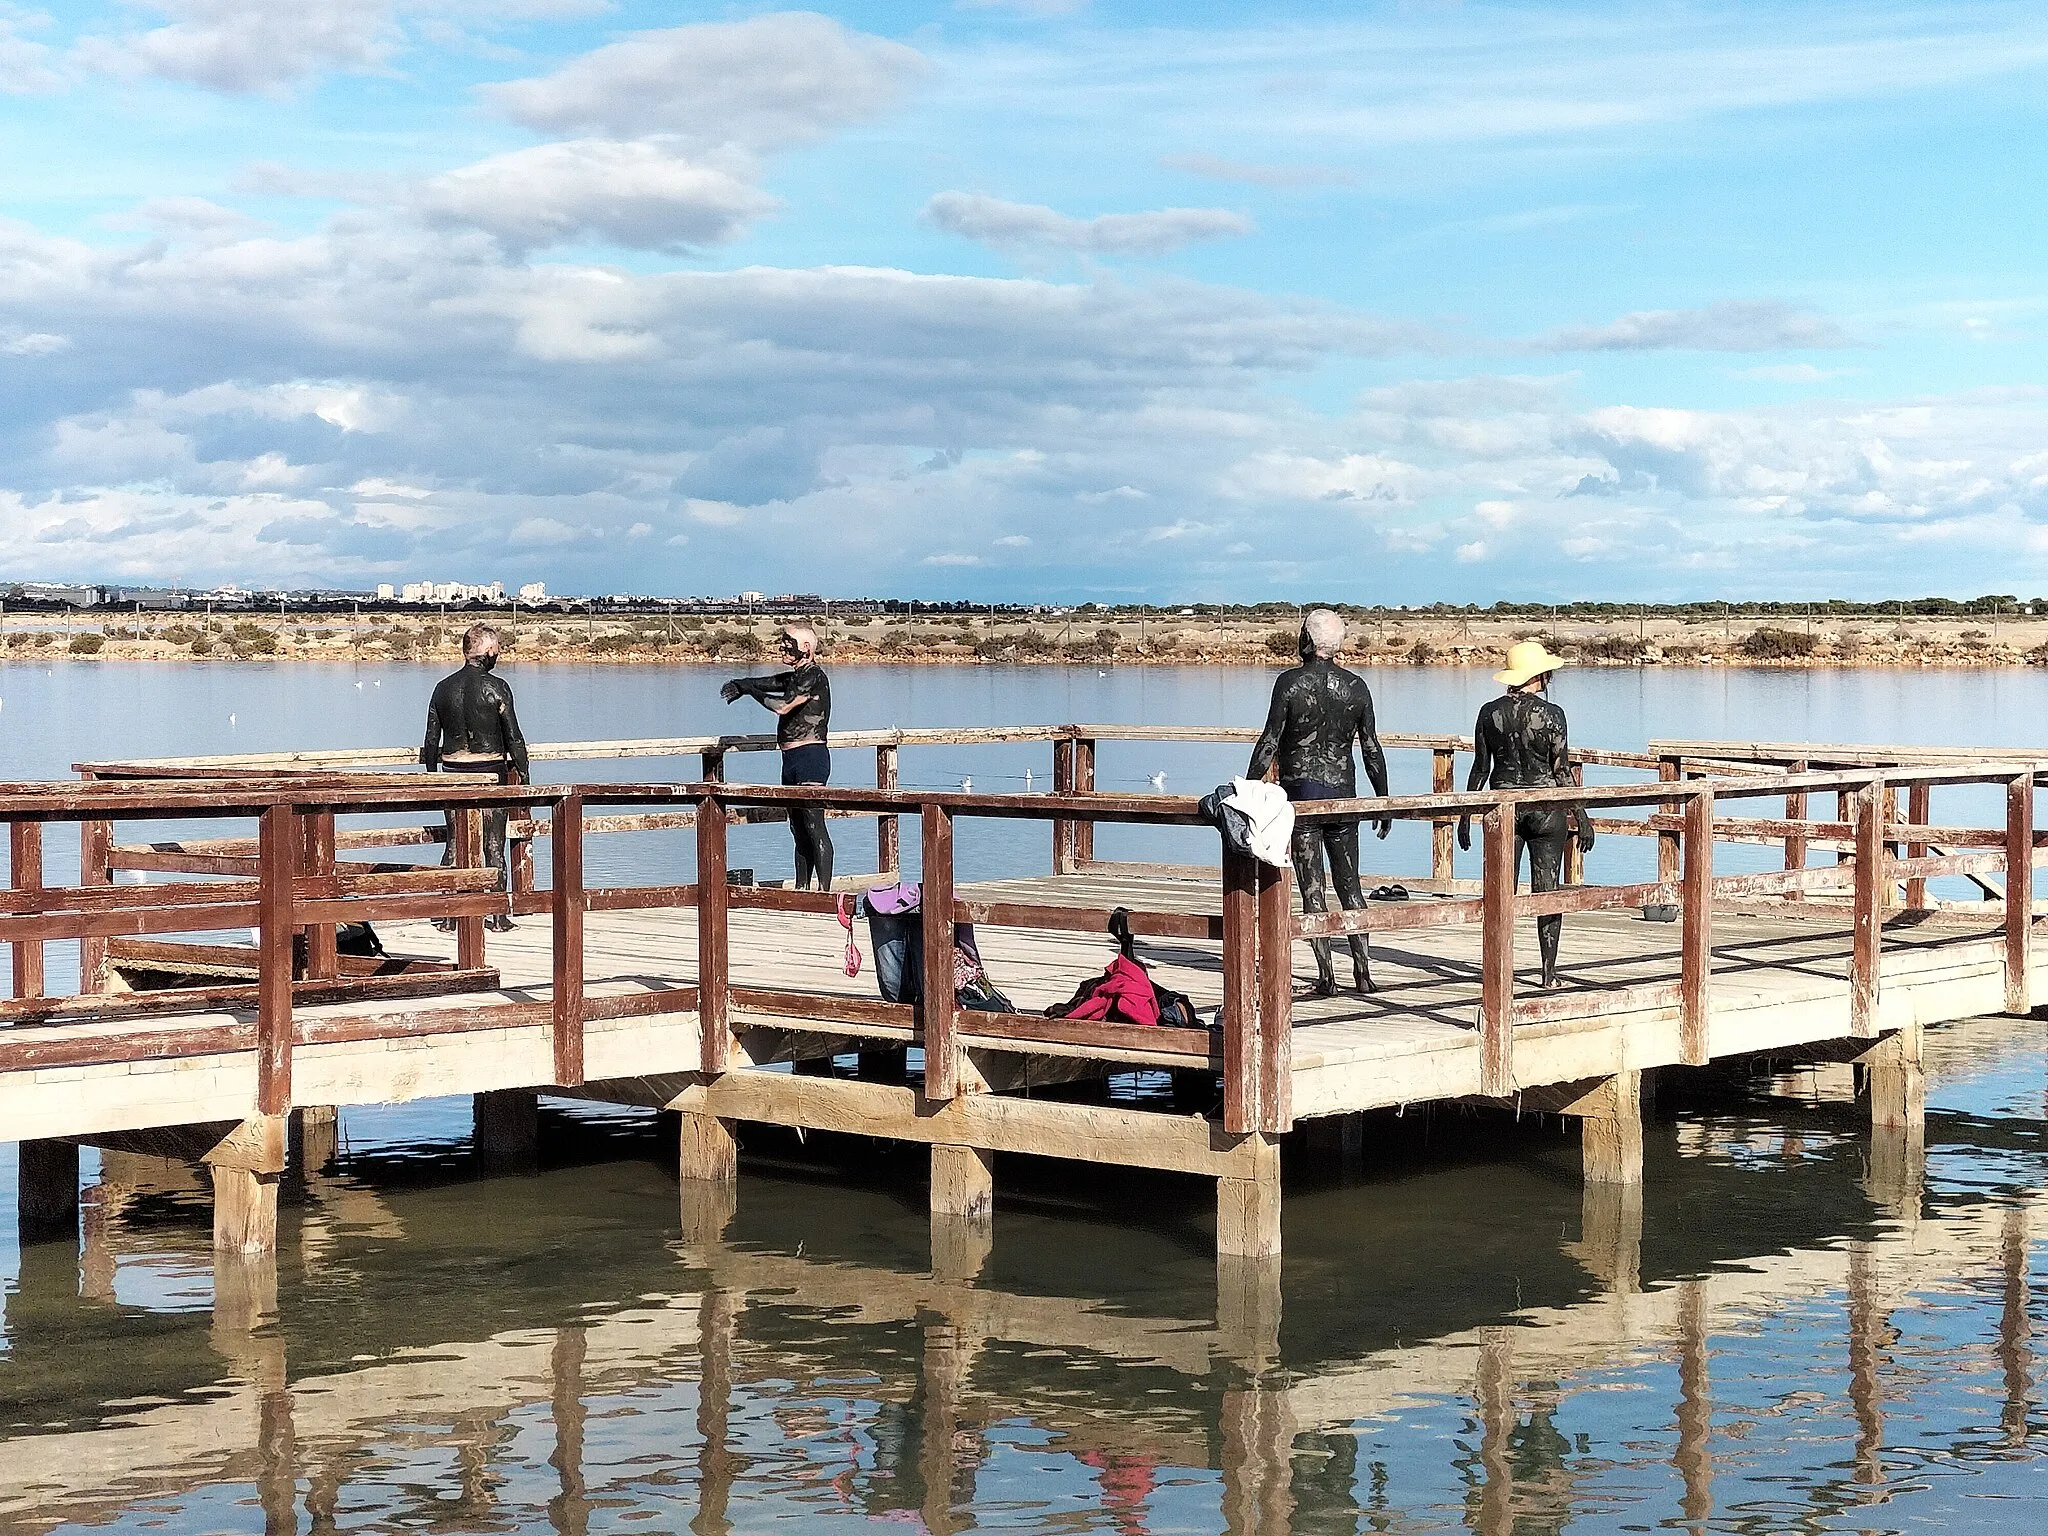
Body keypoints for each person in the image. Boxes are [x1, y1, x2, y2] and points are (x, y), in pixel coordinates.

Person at [1247, 608, 1391, 996]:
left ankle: (1328, 976)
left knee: (1313, 888)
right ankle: (1364, 971)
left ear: (1305, 640)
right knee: (1352, 886)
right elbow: (1371, 749)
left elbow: (1270, 742)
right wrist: (1382, 799)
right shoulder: (1356, 686)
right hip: (1343, 796)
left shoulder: (1289, 684)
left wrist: (1248, 789)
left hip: (1303, 798)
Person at [1457, 639, 1595, 989]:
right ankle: (1548, 975)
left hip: (1503, 807)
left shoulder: (1489, 713)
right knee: (1546, 890)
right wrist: (1582, 816)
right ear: (1541, 676)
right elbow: (1562, 771)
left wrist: (1465, 815)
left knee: (1501, 892)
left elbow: (1480, 768)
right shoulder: (1553, 715)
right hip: (1546, 808)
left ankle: (1499, 971)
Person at [421, 623, 529, 933]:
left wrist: (432, 778)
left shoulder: (442, 688)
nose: (499, 656)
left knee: (455, 844)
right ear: (488, 652)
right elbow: (514, 738)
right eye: (497, 650)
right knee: (493, 844)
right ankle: (497, 915)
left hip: (452, 773)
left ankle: (447, 915)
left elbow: (431, 740)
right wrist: (524, 774)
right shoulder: (498, 687)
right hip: (490, 772)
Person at [722, 624, 835, 890]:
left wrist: (751, 691)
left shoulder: (813, 676)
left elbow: (782, 706)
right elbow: (772, 682)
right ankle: (802, 889)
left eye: (789, 642)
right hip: (790, 760)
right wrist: (743, 683)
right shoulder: (796, 677)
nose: (783, 647)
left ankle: (825, 892)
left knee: (813, 824)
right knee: (797, 828)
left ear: (806, 647)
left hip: (811, 757)